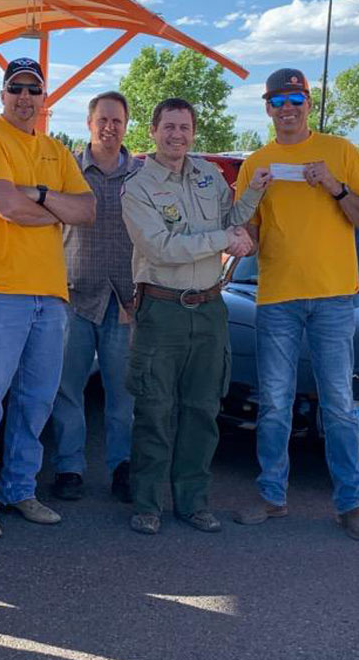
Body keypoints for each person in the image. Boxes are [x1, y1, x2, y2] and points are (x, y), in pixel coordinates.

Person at [231, 68, 359, 542]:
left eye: (295, 99)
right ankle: (272, 496)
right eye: (278, 101)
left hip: (334, 297)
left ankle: (350, 503)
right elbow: (249, 235)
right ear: (267, 107)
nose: (287, 108)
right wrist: (240, 227)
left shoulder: (339, 151)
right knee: (275, 403)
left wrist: (335, 187)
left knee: (339, 403)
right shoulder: (256, 162)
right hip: (277, 298)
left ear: (308, 103)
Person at [0, 58, 96, 538]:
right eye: (16, 88)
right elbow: (3, 204)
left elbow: (87, 210)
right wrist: (53, 206)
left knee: (36, 401)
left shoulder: (56, 149)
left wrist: (35, 195)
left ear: (44, 97)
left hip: (50, 294)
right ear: (2, 94)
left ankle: (19, 490)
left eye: (34, 90)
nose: (25, 97)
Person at [121, 97, 270, 535]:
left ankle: (192, 502)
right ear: (152, 131)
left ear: (193, 132)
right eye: (169, 127)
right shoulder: (139, 187)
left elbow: (232, 216)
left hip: (208, 309)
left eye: (184, 128)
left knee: (202, 410)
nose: (177, 135)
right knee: (154, 410)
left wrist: (254, 191)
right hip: (162, 310)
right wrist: (225, 237)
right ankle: (146, 504)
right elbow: (160, 249)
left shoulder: (208, 174)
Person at [45, 91, 141, 504]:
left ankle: (122, 467)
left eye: (117, 120)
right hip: (72, 295)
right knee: (68, 390)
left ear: (126, 125)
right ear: (89, 123)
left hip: (124, 301)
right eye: (102, 119)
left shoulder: (141, 176)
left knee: (123, 393)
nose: (109, 127)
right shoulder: (65, 168)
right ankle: (69, 468)